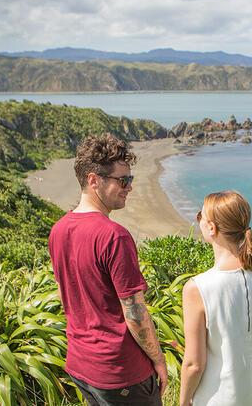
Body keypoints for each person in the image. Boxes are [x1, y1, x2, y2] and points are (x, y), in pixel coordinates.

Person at [48, 134, 167, 406]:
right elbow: (135, 313)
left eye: (131, 179)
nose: (129, 187)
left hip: (81, 365)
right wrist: (159, 360)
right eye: (123, 180)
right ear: (94, 181)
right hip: (120, 373)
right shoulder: (115, 236)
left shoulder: (58, 230)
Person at [180, 191, 252, 406]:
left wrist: (184, 400)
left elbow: (194, 364)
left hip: (216, 398)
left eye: (201, 217)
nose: (199, 221)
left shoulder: (197, 288)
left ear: (211, 228)